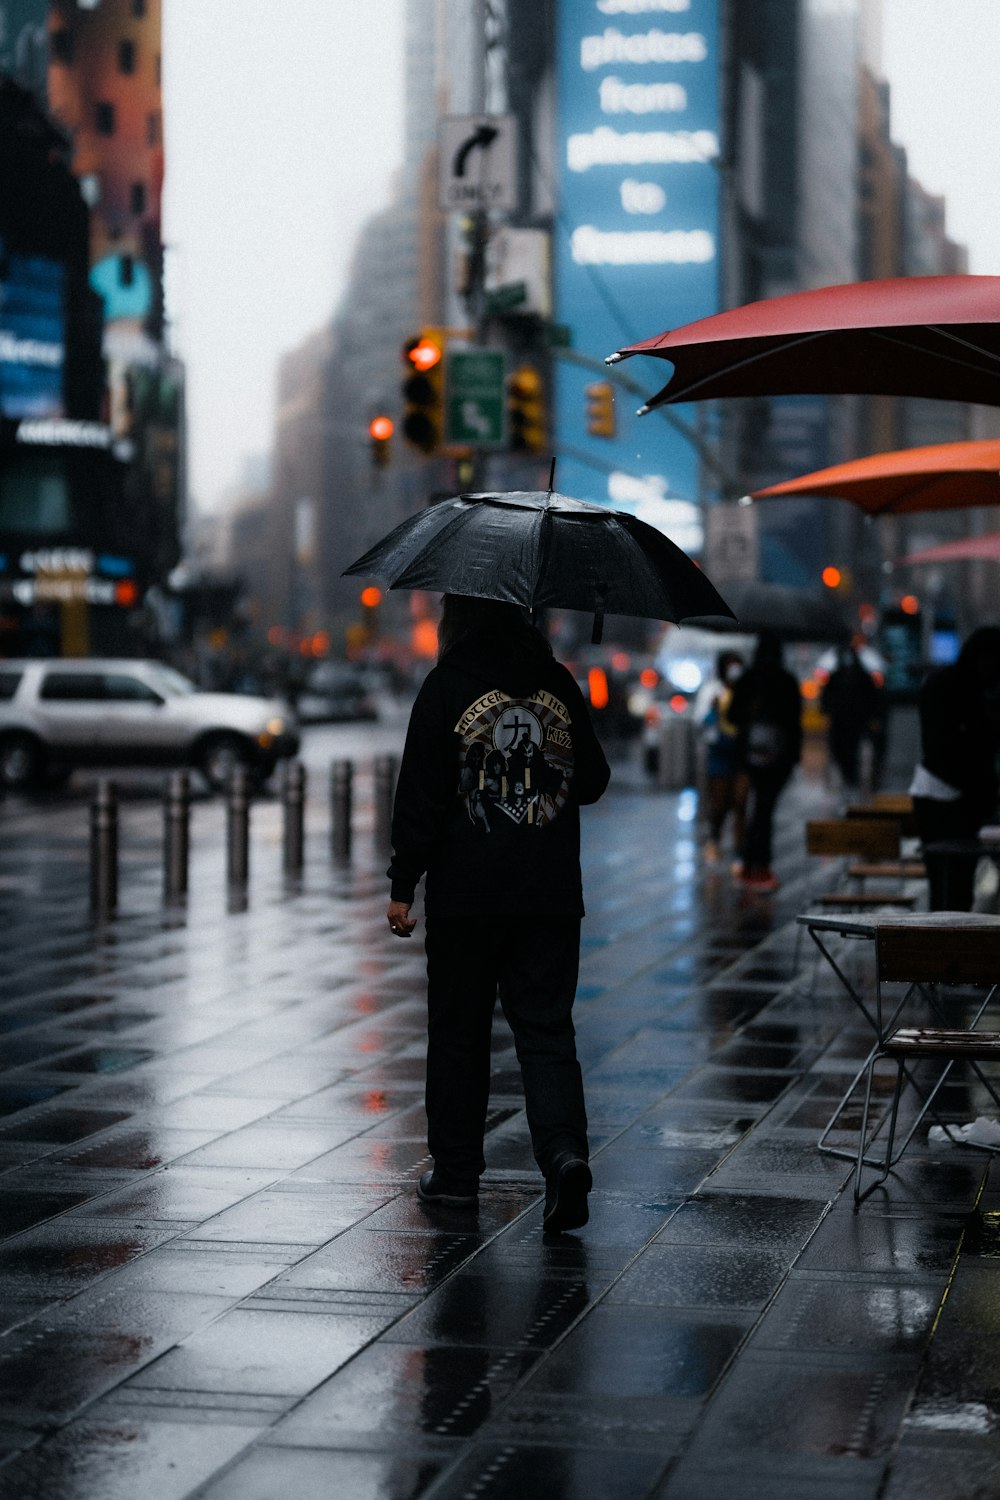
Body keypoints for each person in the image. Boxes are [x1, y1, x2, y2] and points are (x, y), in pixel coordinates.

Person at [385, 594, 611, 1233]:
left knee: (459, 1033)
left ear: (458, 619)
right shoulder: (557, 684)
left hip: (466, 898)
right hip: (547, 895)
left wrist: (404, 882)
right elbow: (592, 780)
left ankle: (456, 1177)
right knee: (546, 1031)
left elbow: (421, 795)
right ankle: (563, 1156)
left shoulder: (446, 686)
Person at [910, 625, 1000, 910]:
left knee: (950, 885)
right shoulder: (957, 691)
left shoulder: (957, 688)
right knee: (952, 885)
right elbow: (944, 751)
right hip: (945, 797)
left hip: (944, 795)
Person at [726, 631, 803, 892]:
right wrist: (795, 756)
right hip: (780, 757)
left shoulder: (749, 680)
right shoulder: (787, 681)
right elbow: (795, 722)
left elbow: (733, 715)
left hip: (750, 754)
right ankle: (760, 865)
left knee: (759, 807)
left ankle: (752, 864)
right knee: (765, 808)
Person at [695, 650, 748, 869]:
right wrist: (713, 709)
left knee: (740, 803)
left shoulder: (746, 690)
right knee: (719, 803)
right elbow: (701, 722)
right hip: (719, 756)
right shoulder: (712, 691)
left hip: (742, 756)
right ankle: (714, 838)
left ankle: (739, 852)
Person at [821, 644, 885, 790]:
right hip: (841, 722)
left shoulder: (860, 678)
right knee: (840, 751)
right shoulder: (837, 677)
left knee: (851, 751)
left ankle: (851, 779)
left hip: (854, 722)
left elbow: (872, 699)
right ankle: (849, 778)